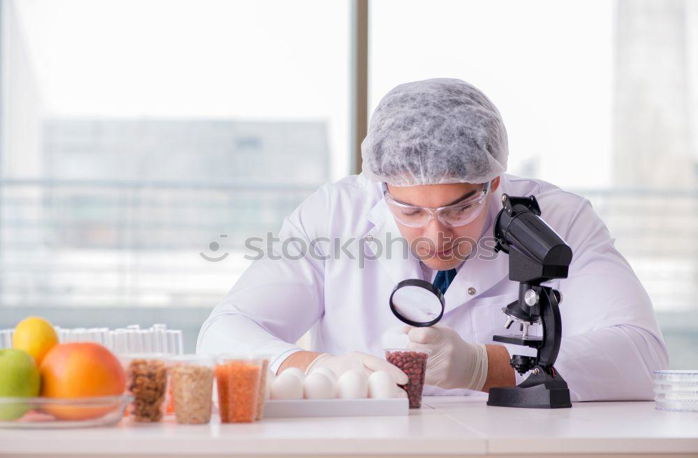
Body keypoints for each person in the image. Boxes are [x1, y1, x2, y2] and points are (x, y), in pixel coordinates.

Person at [197, 78, 668, 400]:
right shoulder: (335, 215)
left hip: (511, 456)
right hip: (368, 452)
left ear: (494, 185)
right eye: (410, 210)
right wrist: (315, 366)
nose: (436, 233)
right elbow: (223, 332)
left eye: (460, 208)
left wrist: (486, 367)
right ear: (381, 189)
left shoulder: (561, 219)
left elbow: (643, 355)